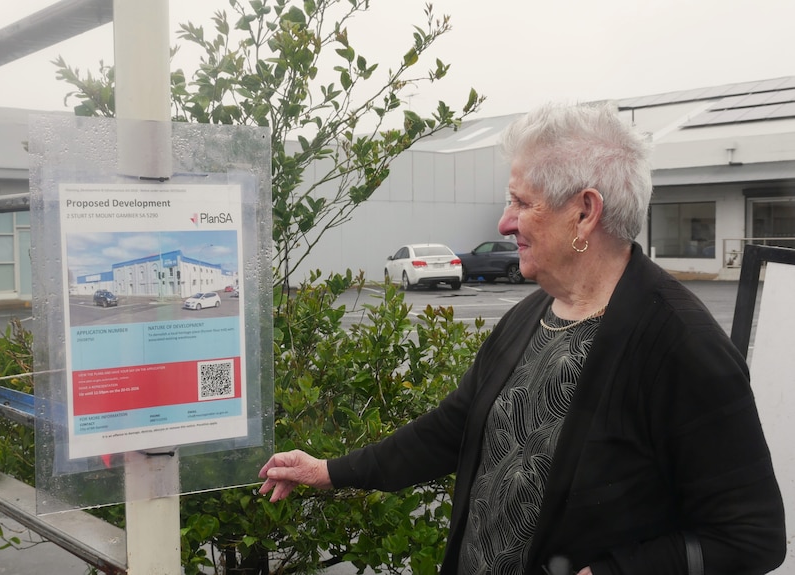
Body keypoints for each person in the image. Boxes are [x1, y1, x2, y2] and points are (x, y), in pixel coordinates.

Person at [259, 101, 786, 574]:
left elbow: (750, 538)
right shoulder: (531, 314)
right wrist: (329, 471)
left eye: (521, 202)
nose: (504, 222)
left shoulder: (680, 345)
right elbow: (453, 429)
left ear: (584, 212)